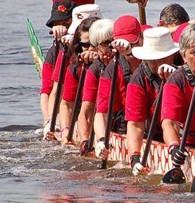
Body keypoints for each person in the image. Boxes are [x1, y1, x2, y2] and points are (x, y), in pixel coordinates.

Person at [126, 27, 180, 175]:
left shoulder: (182, 73)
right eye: (154, 59)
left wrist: (175, 80)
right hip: (152, 133)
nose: (159, 63)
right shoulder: (137, 80)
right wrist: (135, 157)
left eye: (163, 57)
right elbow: (135, 124)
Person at [161, 24, 195, 169]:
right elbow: (170, 123)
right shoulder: (176, 80)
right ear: (183, 56)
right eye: (194, 53)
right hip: (187, 142)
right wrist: (174, 147)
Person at [94, 15, 143, 160]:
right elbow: (101, 113)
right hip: (127, 125)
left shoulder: (154, 57)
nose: (129, 47)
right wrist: (102, 140)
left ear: (141, 37)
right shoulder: (112, 68)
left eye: (132, 42)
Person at [59, 11, 102, 145]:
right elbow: (67, 104)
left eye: (94, 44)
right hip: (83, 114)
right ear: (79, 46)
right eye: (86, 45)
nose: (90, 49)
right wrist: (66, 130)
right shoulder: (75, 68)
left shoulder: (112, 63)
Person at [78, 18, 114, 156]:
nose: (111, 47)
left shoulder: (126, 64)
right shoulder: (94, 70)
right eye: (106, 43)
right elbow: (86, 113)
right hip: (105, 122)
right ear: (96, 46)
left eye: (113, 41)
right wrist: (85, 141)